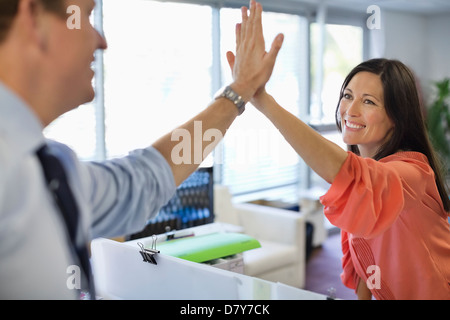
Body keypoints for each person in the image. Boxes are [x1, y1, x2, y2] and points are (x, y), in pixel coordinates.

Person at [0, 0, 283, 299]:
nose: (101, 41)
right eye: (84, 15)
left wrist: (239, 91)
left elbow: (143, 180)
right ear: (31, 16)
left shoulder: (53, 169)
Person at [228, 23, 450, 299]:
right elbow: (367, 271)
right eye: (347, 96)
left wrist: (262, 99)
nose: (350, 111)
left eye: (368, 102)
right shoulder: (362, 190)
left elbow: (349, 172)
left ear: (397, 116)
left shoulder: (411, 173)